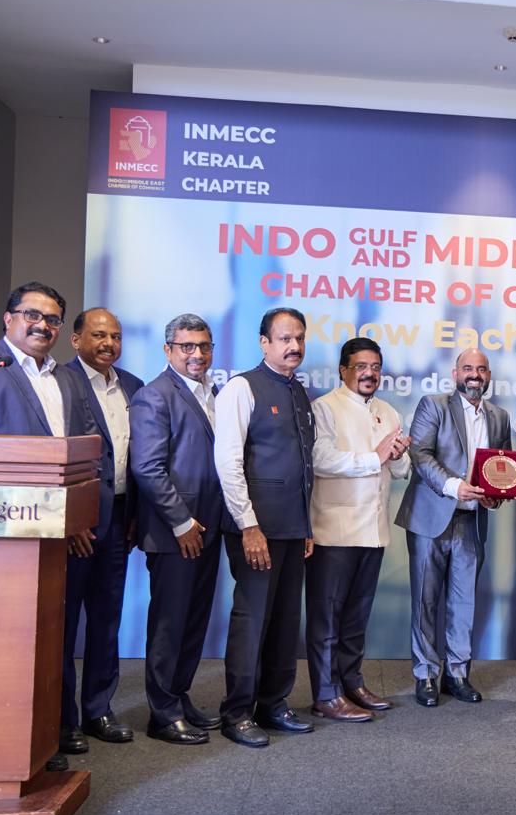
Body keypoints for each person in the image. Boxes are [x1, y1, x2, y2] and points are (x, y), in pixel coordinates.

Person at [0, 280, 98, 772]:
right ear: (8, 318)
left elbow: (81, 451)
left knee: (53, 637)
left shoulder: (69, 378)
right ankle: (2, 744)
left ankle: (50, 732)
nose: (42, 325)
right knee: (6, 645)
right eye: (32, 314)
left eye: (52, 319)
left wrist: (74, 516)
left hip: (59, 533)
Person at [214, 308, 316, 747]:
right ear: (264, 342)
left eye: (299, 338)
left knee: (285, 621)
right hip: (256, 529)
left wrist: (306, 526)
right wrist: (248, 525)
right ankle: (237, 713)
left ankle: (273, 704)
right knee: (252, 620)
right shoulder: (241, 388)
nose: (294, 346)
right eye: (284, 339)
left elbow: (303, 466)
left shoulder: (298, 391)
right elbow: (227, 462)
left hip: (293, 528)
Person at [395, 349, 512, 707]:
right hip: (431, 518)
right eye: (468, 368)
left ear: (488, 375)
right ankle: (426, 675)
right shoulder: (434, 406)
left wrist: (496, 497)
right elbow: (420, 455)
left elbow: (504, 468)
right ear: (455, 373)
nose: (475, 374)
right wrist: (454, 486)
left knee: (464, 602)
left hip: (472, 521)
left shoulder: (500, 417)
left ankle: (457, 674)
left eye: (481, 369)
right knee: (426, 601)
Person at [130, 314, 224, 746]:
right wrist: (182, 523)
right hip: (176, 533)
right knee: (169, 624)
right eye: (187, 346)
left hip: (210, 526)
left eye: (203, 346)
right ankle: (163, 713)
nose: (197, 354)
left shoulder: (213, 392)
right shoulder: (154, 396)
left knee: (194, 620)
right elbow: (148, 469)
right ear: (168, 350)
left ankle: (179, 698)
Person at [308, 337, 411, 722]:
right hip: (334, 530)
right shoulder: (324, 407)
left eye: (376, 367)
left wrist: (396, 456)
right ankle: (326, 693)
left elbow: (399, 470)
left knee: (356, 616)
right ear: (343, 370)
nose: (370, 374)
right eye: (361, 367)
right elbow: (320, 459)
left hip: (373, 530)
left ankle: (351, 682)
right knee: (327, 617)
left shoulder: (387, 410)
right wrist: (375, 457)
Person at [61, 308, 143, 754]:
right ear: (76, 340)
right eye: (98, 335)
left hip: (119, 518)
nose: (108, 343)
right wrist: (72, 517)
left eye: (115, 336)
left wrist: (136, 516)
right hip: (78, 522)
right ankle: (63, 720)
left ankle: (98, 709)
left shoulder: (133, 385)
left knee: (107, 619)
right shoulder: (61, 383)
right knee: (65, 623)